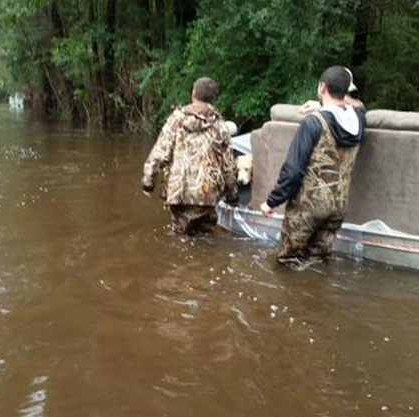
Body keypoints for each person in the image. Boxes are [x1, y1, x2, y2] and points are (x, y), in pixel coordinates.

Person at [261, 66, 366, 268]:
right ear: (346, 92)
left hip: (307, 207)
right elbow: (358, 106)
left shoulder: (313, 123)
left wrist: (271, 202)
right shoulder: (359, 120)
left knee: (288, 265)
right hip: (337, 207)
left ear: (322, 88)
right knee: (318, 265)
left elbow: (293, 170)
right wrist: (324, 106)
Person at [142, 77, 238, 235]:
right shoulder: (220, 126)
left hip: (179, 192)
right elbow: (227, 164)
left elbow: (160, 153)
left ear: (194, 94)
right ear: (213, 99)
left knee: (180, 238)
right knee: (204, 240)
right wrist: (232, 195)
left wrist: (148, 182)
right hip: (207, 194)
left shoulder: (176, 120)